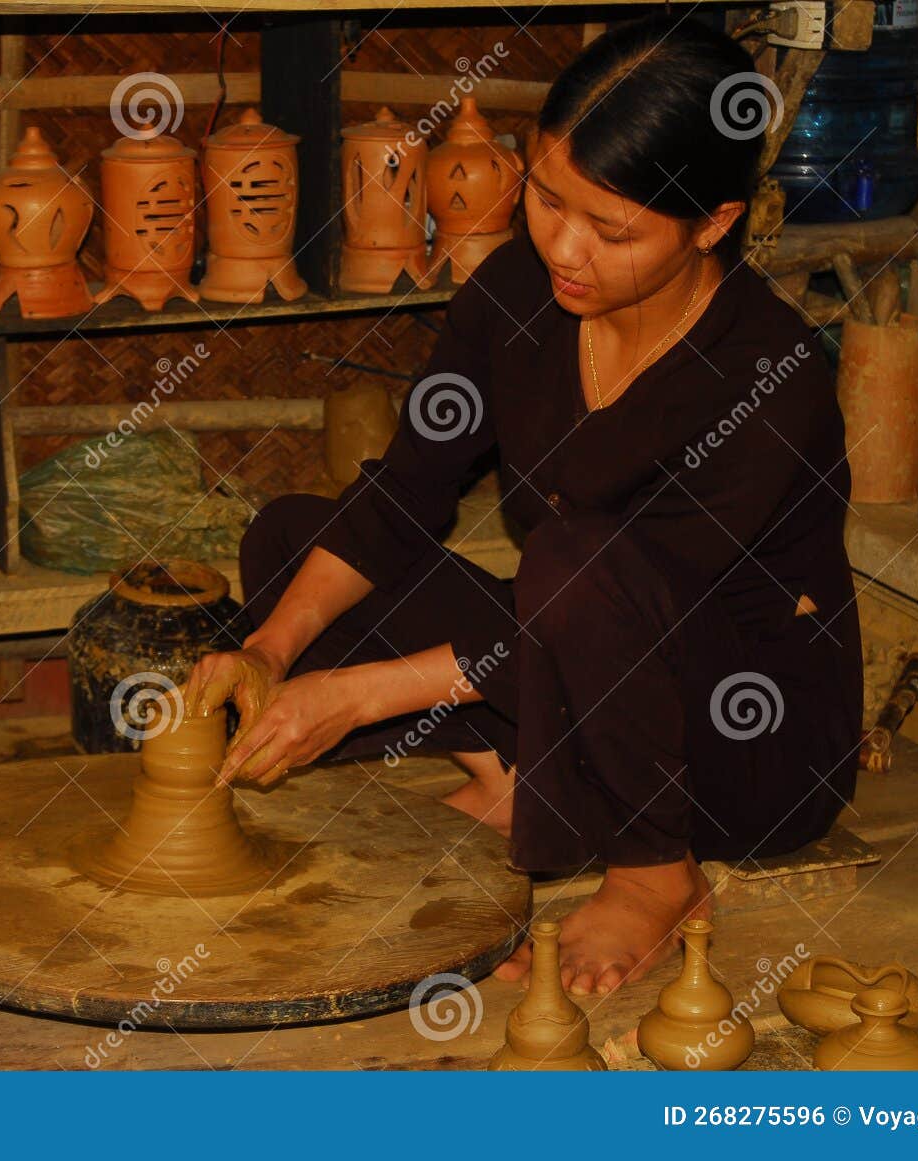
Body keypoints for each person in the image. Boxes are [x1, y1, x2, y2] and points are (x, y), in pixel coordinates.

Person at [182, 16, 863, 996]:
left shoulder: (769, 374)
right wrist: (271, 651)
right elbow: (404, 498)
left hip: (740, 738)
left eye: (612, 229)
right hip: (577, 662)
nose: (565, 247)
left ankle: (653, 875)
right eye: (546, 198)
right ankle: (523, 779)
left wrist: (360, 693)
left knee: (572, 567)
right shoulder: (516, 293)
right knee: (294, 539)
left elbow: (617, 596)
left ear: (713, 223)